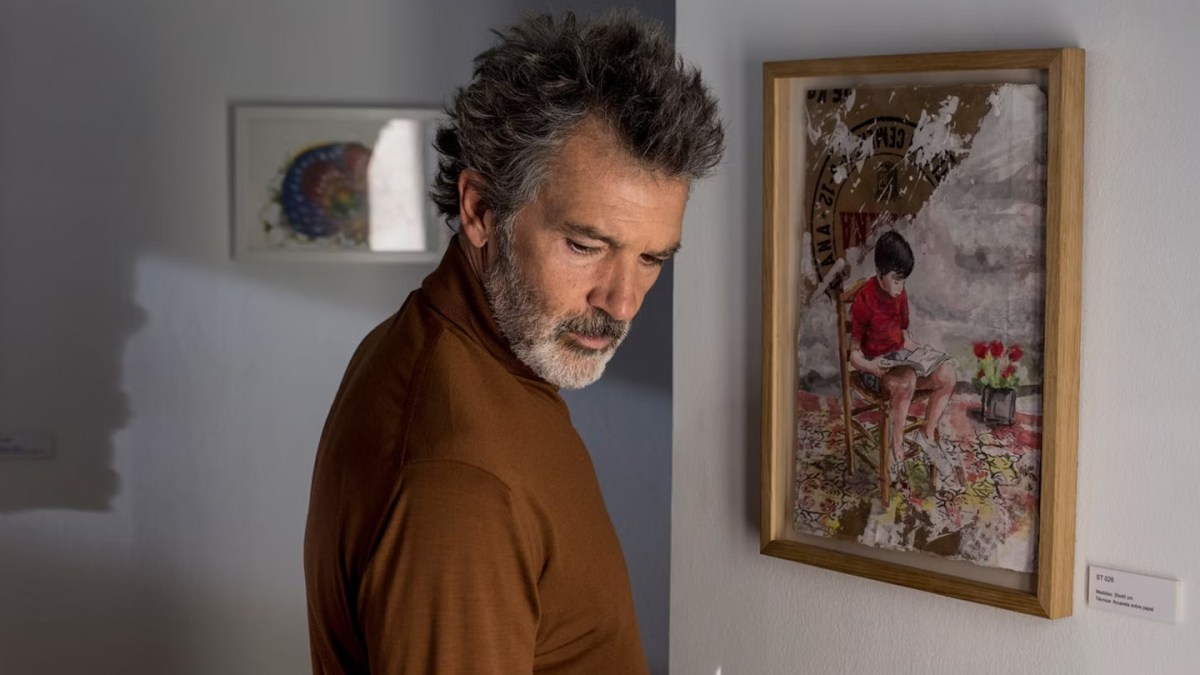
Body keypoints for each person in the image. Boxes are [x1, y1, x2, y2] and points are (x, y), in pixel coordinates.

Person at [303, 11, 723, 674]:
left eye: (651, 258)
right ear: (478, 209)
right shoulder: (462, 479)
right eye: (587, 245)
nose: (622, 301)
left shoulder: (444, 352)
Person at [848, 230, 958, 486]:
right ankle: (896, 450)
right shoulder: (864, 300)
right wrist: (872, 367)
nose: (901, 287)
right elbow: (854, 356)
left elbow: (905, 337)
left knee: (948, 374)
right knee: (907, 378)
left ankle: (927, 436)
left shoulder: (901, 295)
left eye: (904, 281)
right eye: (896, 280)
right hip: (875, 371)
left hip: (901, 364)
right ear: (879, 273)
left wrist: (924, 353)